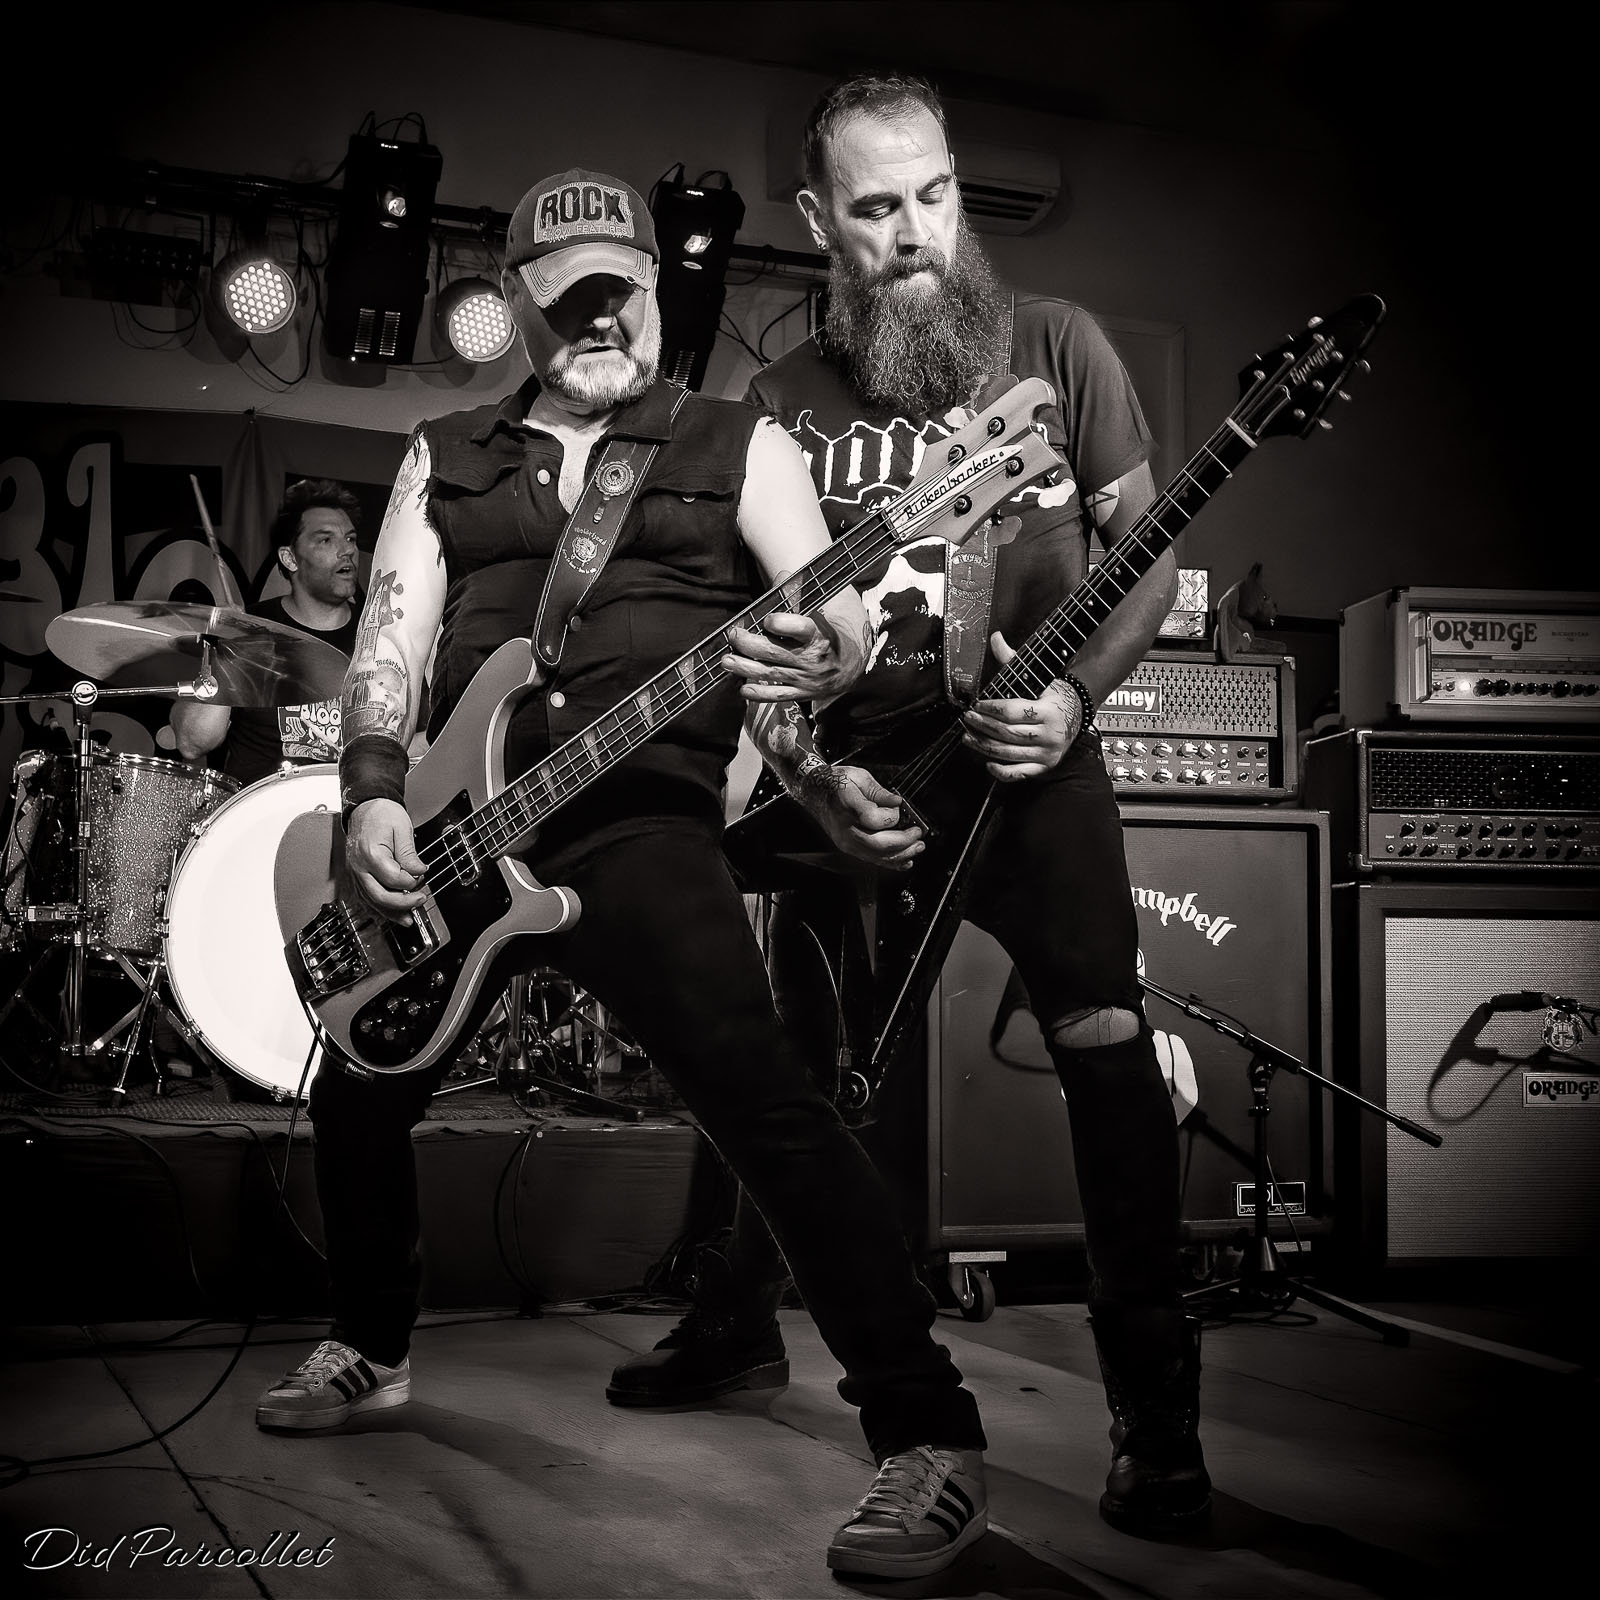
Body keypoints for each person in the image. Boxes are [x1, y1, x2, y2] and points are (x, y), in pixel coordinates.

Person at [254, 166, 992, 1582]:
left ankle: (928, 1433)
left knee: (768, 1105)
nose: (601, 319)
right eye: (570, 299)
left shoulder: (736, 442)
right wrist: (371, 794)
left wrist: (818, 669)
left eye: (624, 293)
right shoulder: (448, 455)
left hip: (643, 823)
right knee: (361, 1080)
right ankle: (370, 1343)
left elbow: (832, 622)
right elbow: (392, 642)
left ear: (658, 291)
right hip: (461, 834)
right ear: (518, 308)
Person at [605, 76, 1211, 1538]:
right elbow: (755, 654)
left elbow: (1149, 557)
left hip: (1032, 767)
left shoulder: (1057, 346)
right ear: (821, 222)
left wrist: (1075, 701)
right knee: (787, 1070)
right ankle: (738, 1321)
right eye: (877, 208)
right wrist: (814, 781)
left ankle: (1156, 1419)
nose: (917, 230)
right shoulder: (776, 406)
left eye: (934, 194)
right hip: (859, 784)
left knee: (1108, 1054)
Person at [169, 478, 362, 784]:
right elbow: (192, 743)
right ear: (289, 558)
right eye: (326, 540)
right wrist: (228, 653)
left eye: (350, 539)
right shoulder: (249, 628)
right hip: (262, 807)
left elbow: (420, 738)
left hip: (351, 804)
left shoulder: (379, 634)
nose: (347, 550)